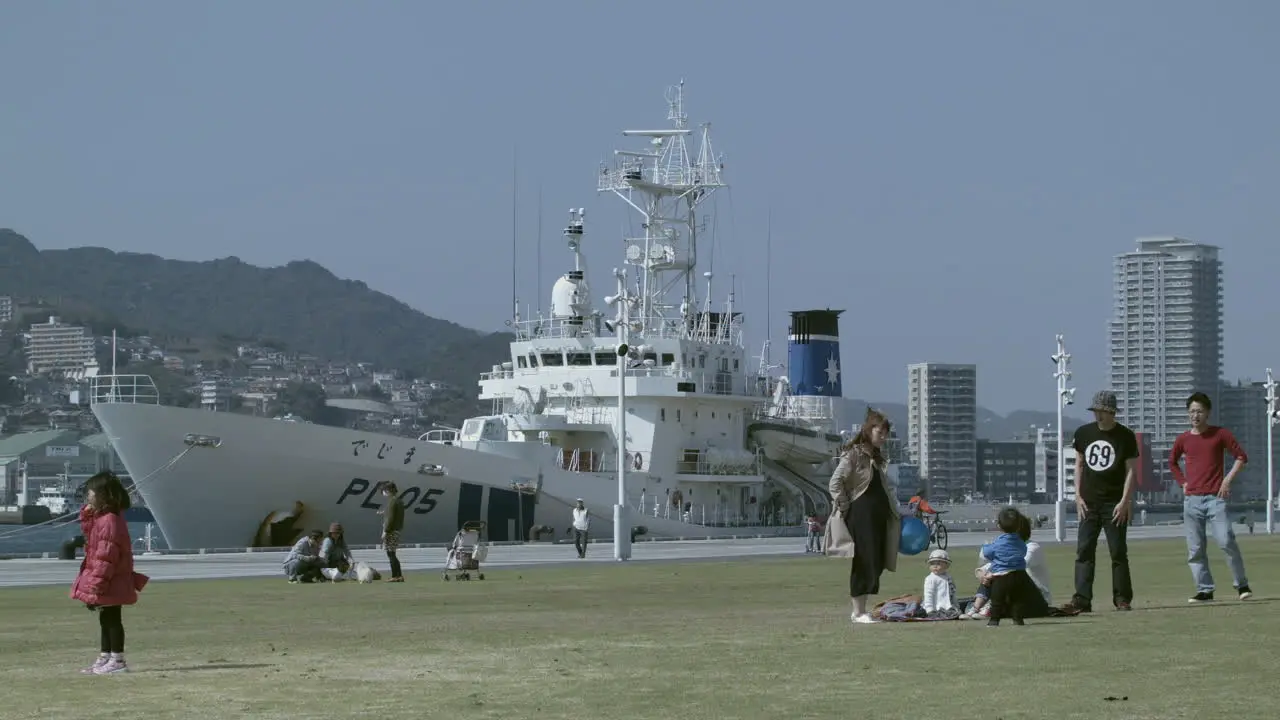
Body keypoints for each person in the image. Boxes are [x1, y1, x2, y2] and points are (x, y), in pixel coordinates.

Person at [1170, 391, 1253, 602]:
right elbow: (1172, 462)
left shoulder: (1220, 434)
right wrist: (1183, 483)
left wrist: (1227, 480)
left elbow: (1241, 457)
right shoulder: (1184, 439)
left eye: (1199, 411)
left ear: (1207, 413)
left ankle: (1241, 584)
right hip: (1192, 501)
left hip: (1216, 499)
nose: (1195, 416)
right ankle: (1205, 590)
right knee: (1195, 548)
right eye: (1191, 412)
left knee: (1225, 540)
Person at [1066, 390, 1139, 613]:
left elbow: (1131, 471)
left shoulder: (1126, 436)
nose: (1099, 416)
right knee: (1084, 551)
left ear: (1112, 413)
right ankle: (1082, 599)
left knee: (1118, 552)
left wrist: (1125, 501)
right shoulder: (1083, 433)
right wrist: (1077, 497)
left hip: (1114, 503)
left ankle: (1122, 598)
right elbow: (1079, 465)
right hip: (1088, 502)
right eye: (1096, 411)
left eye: (1104, 412)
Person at [827, 407, 902, 624]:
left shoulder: (877, 458)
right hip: (861, 515)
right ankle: (858, 612)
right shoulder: (854, 455)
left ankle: (862, 609)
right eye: (880, 433)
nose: (884, 437)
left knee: (877, 560)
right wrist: (843, 505)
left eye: (886, 433)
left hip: (878, 515)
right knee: (864, 559)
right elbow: (835, 482)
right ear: (869, 431)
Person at [71, 471, 149, 675]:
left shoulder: (110, 521)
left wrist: (97, 583)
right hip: (107, 578)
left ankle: (117, 659)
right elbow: (90, 534)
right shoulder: (103, 518)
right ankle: (105, 656)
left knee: (112, 618)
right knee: (105, 618)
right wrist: (87, 513)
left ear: (103, 494)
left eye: (91, 492)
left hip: (111, 578)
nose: (88, 496)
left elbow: (107, 556)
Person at [964, 513, 1051, 620]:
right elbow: (992, 566)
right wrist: (982, 574)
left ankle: (989, 608)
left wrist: (991, 574)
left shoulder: (1032, 547)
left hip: (1034, 597)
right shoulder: (1008, 548)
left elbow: (1013, 566)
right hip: (1014, 590)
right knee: (994, 575)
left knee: (1002, 576)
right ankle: (977, 608)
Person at [981, 507, 1041, 627]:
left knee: (997, 599)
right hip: (1019, 574)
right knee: (1017, 599)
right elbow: (1024, 552)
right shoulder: (1020, 541)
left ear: (999, 525)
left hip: (1001, 575)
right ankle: (1018, 619)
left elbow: (987, 553)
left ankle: (994, 620)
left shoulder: (998, 542)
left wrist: (986, 545)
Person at [378, 482, 406, 583]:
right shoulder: (399, 501)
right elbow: (395, 515)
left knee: (390, 553)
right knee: (393, 553)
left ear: (388, 491)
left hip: (391, 531)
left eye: (384, 491)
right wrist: (384, 512)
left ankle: (395, 575)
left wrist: (385, 531)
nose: (383, 494)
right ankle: (399, 575)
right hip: (397, 530)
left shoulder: (392, 502)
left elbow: (390, 519)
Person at [921, 549, 959, 617]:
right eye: (932, 563)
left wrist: (956, 606)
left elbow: (952, 594)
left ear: (947, 565)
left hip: (948, 607)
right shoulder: (930, 579)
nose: (935, 566)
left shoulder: (949, 577)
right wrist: (930, 610)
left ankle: (953, 612)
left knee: (955, 613)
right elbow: (928, 595)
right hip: (935, 608)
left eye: (938, 563)